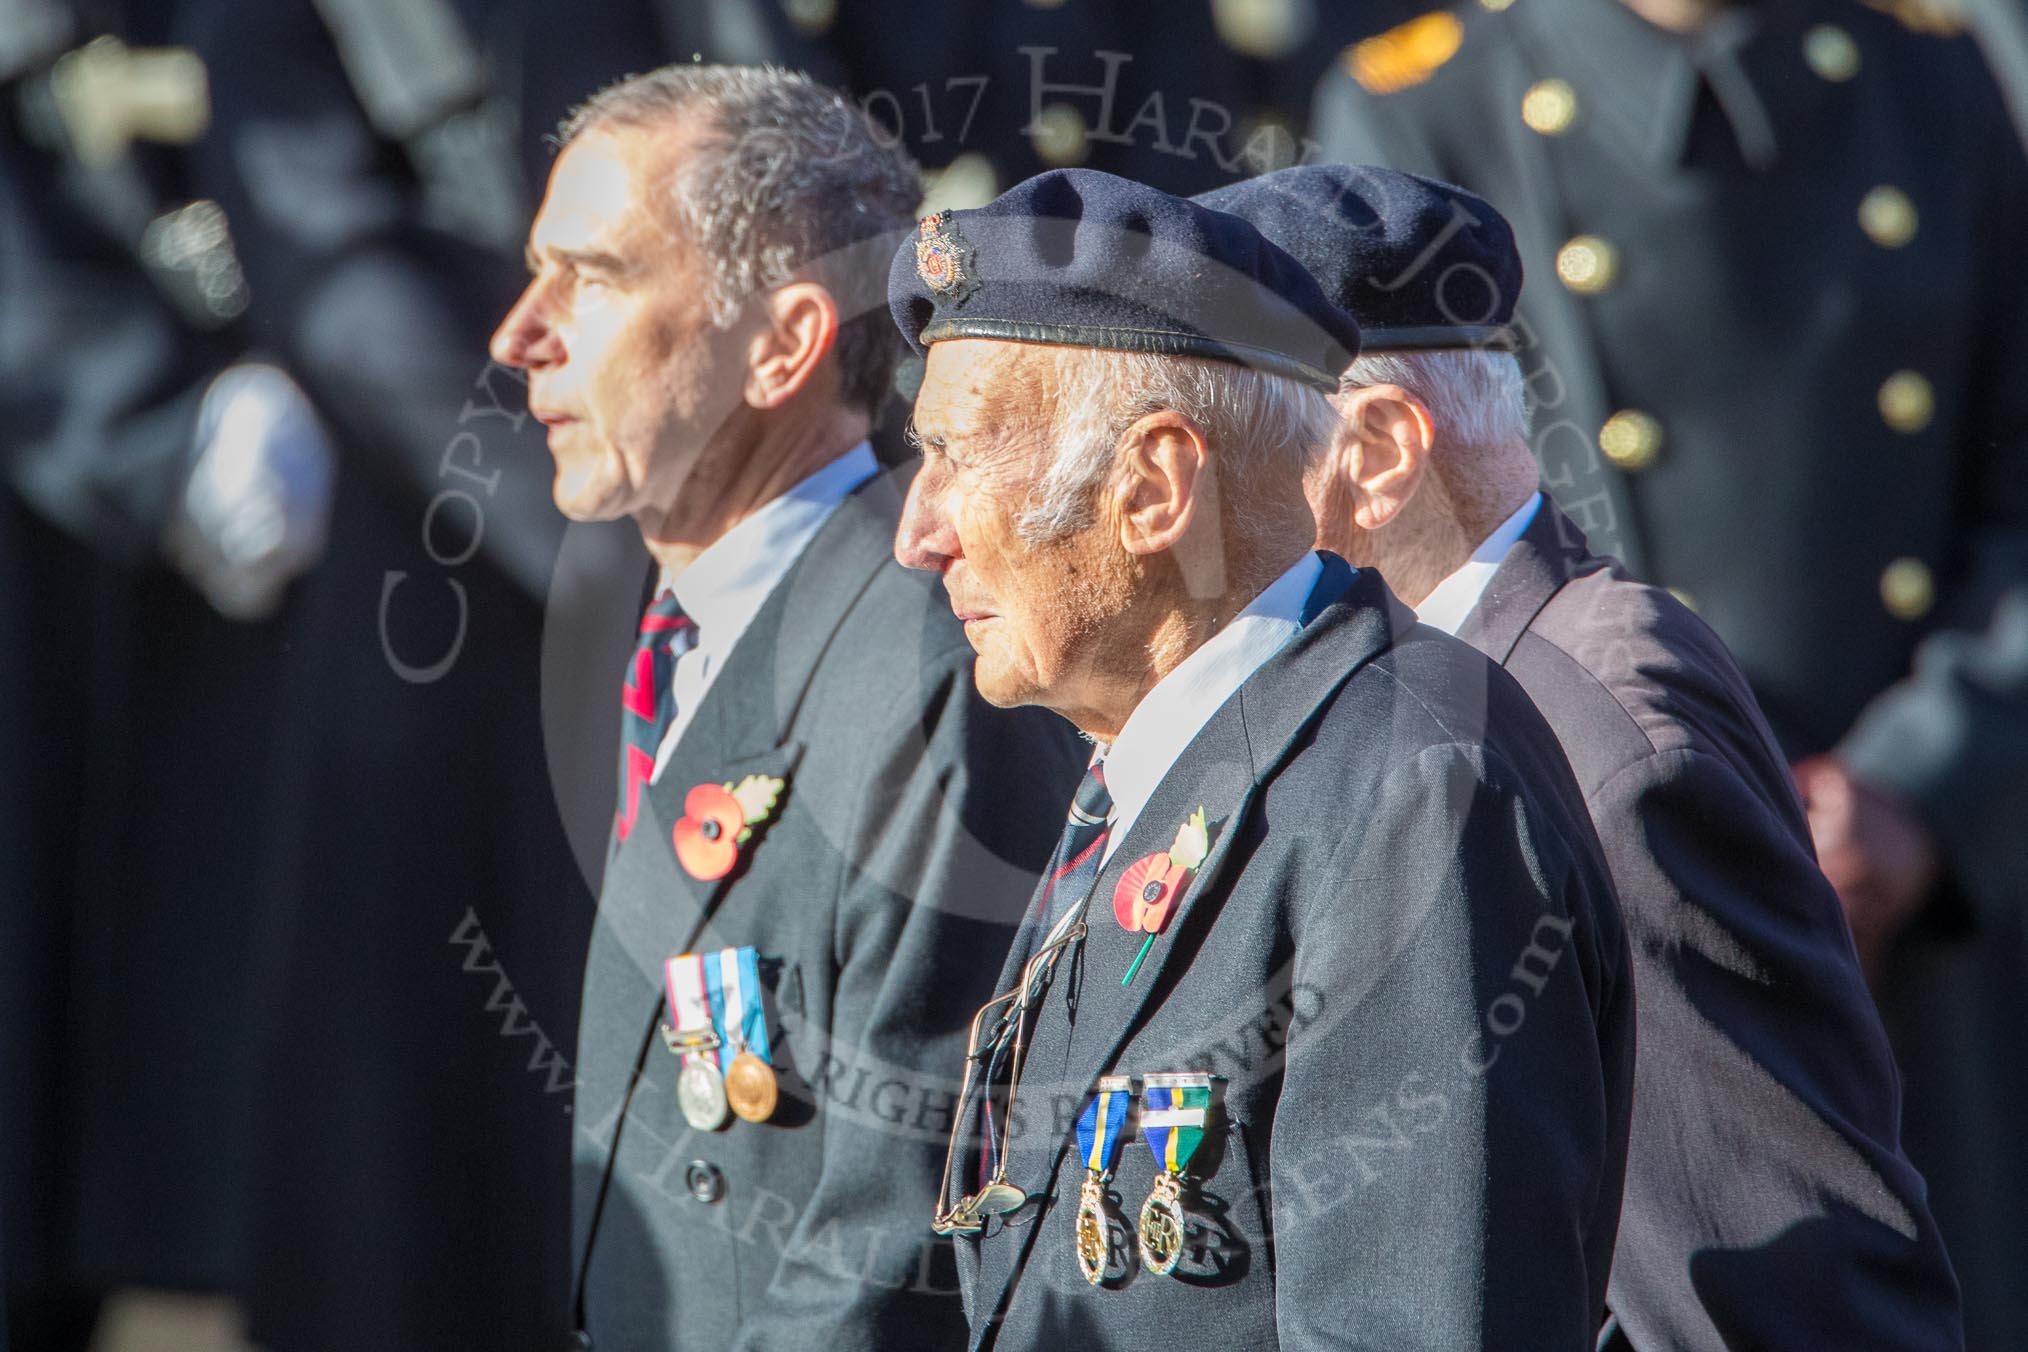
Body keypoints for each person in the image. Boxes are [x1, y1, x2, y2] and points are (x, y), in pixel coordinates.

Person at [1311, 4, 2028, 1341]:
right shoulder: (1425, 108)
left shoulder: (1936, 78)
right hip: (1614, 862)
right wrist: (1672, 779)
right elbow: (1417, 539)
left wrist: (1921, 781)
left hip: (1926, 882)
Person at [886, 166, 1633, 1350]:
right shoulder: (1171, 760)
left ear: (1153, 487)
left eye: (961, 458)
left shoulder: (1411, 788)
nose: (917, 534)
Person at [489, 65, 1086, 1351]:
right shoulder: (666, 624)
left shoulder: (933, 666)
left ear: (782, 343)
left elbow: (905, 1225)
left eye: (589, 277)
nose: (520, 332)